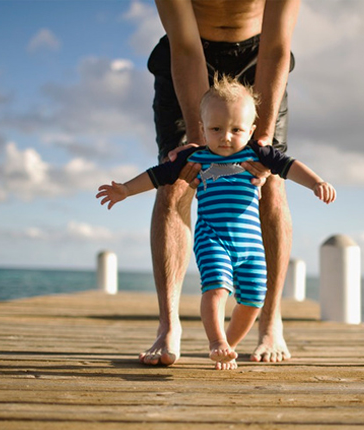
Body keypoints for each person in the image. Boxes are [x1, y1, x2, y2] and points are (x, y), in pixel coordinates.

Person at [97, 77, 335, 370]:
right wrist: (126, 189)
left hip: (251, 246)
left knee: (253, 299)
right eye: (216, 129)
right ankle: (216, 342)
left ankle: (229, 347)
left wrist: (316, 182)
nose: (225, 137)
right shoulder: (196, 157)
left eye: (236, 130)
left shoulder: (258, 154)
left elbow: (289, 166)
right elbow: (158, 175)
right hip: (213, 237)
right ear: (202, 125)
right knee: (217, 289)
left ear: (251, 129)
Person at [142, 0, 302, 366]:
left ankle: (270, 320)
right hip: (189, 52)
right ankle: (168, 325)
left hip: (259, 56)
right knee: (176, 181)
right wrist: (199, 143)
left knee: (273, 179)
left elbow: (277, 44)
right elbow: (184, 45)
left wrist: (259, 149)